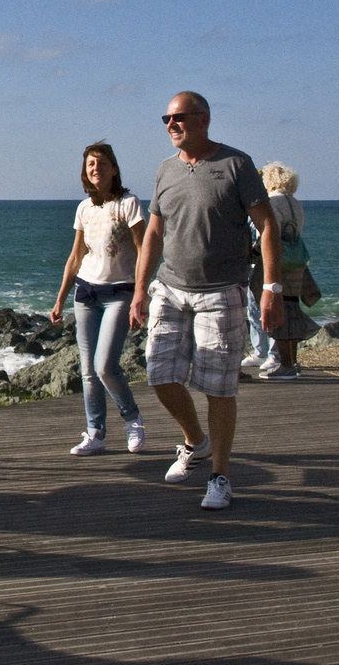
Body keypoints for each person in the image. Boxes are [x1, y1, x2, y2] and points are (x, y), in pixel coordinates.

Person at [131, 91, 281, 511]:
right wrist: (140, 290)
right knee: (159, 374)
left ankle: (220, 476)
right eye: (166, 118)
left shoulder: (236, 164)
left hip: (222, 290)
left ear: (204, 119)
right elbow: (154, 235)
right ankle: (195, 441)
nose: (170, 125)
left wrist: (271, 288)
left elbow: (266, 226)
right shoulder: (165, 170)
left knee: (218, 387)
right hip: (170, 287)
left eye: (178, 117)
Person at [50, 141, 146, 455]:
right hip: (86, 293)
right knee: (88, 371)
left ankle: (132, 418)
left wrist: (141, 294)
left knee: (105, 366)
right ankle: (96, 433)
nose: (96, 169)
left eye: (102, 163)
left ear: (114, 169)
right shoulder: (84, 209)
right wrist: (60, 298)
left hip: (120, 292)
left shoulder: (128, 203)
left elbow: (145, 250)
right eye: (91, 164)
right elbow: (76, 256)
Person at [254, 161, 322, 381]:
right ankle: (291, 361)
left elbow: (266, 233)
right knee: (291, 310)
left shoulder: (271, 202)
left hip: (278, 262)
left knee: (276, 311)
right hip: (296, 263)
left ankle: (285, 364)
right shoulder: (296, 203)